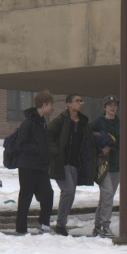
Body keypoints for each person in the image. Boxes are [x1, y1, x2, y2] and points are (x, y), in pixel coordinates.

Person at [46, 93, 97, 235]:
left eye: (82, 101)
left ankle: (62, 224)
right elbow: (47, 134)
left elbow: (88, 142)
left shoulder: (83, 123)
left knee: (71, 193)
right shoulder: (61, 120)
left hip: (75, 164)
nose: (81, 103)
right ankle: (60, 225)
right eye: (77, 101)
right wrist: (55, 152)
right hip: (61, 164)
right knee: (68, 191)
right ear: (68, 104)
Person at [13, 91, 55, 235]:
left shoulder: (42, 121)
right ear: (44, 105)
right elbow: (21, 144)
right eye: (50, 104)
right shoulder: (28, 122)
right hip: (28, 166)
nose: (51, 107)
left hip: (41, 166)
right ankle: (21, 229)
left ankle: (44, 224)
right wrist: (37, 149)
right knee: (26, 197)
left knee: (48, 195)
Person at [92, 95, 122, 237]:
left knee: (106, 197)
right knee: (108, 193)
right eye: (109, 104)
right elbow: (87, 135)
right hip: (102, 165)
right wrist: (100, 144)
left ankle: (97, 226)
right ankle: (105, 226)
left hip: (117, 165)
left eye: (115, 104)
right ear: (104, 107)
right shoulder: (98, 122)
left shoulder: (120, 123)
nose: (112, 107)